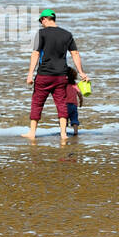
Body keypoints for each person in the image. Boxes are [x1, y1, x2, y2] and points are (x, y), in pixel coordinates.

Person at [26, 8, 89, 142]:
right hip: (61, 76)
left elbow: (36, 53)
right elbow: (75, 54)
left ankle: (32, 133)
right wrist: (81, 72)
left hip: (44, 74)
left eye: (41, 21)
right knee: (61, 103)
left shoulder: (41, 33)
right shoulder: (67, 34)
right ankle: (63, 133)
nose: (41, 23)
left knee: (37, 103)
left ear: (44, 19)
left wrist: (30, 74)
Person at [65, 66, 84, 136]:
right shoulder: (75, 84)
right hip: (73, 105)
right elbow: (79, 94)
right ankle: (75, 132)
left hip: (65, 105)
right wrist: (81, 102)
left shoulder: (63, 85)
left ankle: (63, 132)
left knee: (64, 119)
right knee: (74, 120)